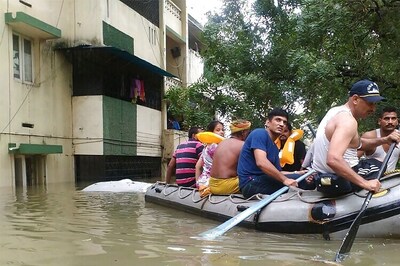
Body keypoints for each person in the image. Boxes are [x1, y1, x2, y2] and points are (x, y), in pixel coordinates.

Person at [311, 79, 400, 196]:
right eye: (370, 103)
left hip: (323, 178)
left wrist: (385, 140)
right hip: (342, 180)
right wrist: (365, 184)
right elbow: (333, 159)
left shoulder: (335, 112)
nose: (373, 109)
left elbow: (357, 144)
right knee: (378, 164)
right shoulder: (348, 121)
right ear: (355, 99)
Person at [238, 108, 309, 198]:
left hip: (263, 179)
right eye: (278, 120)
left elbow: (278, 172)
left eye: (284, 122)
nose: (281, 124)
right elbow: (261, 162)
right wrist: (285, 180)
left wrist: (298, 173)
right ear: (268, 122)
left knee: (303, 178)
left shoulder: (275, 147)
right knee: (302, 181)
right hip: (251, 183)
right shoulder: (259, 133)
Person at [209, 119, 252, 195]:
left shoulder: (222, 143)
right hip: (225, 186)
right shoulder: (242, 145)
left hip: (212, 184)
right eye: (248, 132)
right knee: (258, 178)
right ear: (243, 132)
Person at [358, 107, 400, 172]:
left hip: (392, 179)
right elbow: (353, 158)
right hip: (371, 178)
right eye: (386, 119)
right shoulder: (369, 136)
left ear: (397, 121)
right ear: (379, 121)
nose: (390, 122)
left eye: (393, 119)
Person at [195, 120, 225, 196]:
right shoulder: (215, 146)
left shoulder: (206, 147)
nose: (221, 132)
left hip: (202, 182)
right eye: (218, 130)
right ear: (211, 133)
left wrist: (197, 183)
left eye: (222, 130)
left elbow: (197, 166)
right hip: (211, 183)